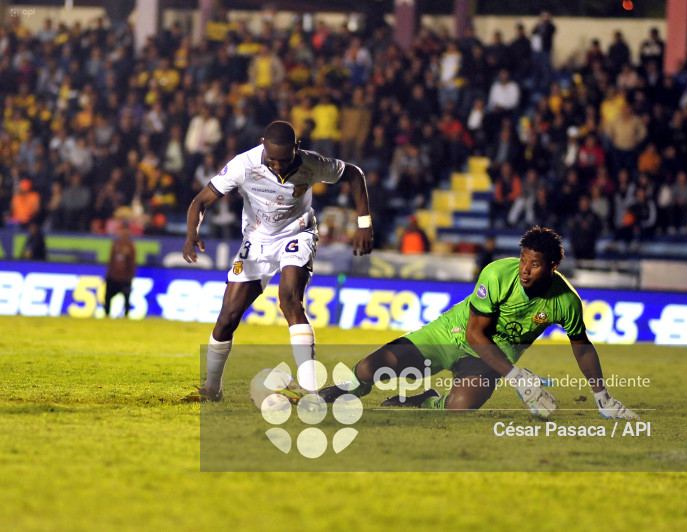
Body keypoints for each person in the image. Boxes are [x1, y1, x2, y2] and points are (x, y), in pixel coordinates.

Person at [319, 227, 638, 419]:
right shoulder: (497, 273)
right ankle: (350, 388)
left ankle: (424, 400)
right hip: (452, 333)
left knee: (459, 406)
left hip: (494, 356)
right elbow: (474, 333)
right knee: (368, 368)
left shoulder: (565, 301)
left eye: (535, 264)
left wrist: (602, 398)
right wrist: (517, 378)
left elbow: (582, 348)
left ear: (553, 266)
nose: (525, 269)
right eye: (523, 259)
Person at [183, 121, 373, 401]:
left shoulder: (312, 163)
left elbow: (354, 174)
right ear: (263, 145)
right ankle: (212, 388)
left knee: (290, 300)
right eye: (271, 159)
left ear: (297, 148)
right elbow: (201, 201)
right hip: (256, 242)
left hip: (297, 234)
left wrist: (364, 223)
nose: (277, 166)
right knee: (227, 317)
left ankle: (310, 392)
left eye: (283, 160)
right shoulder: (243, 165)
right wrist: (192, 234)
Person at [105, 222, 136, 318]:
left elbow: (132, 263)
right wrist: (109, 274)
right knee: (108, 297)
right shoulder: (116, 244)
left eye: (126, 230)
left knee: (126, 298)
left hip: (125, 278)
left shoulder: (131, 246)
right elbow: (111, 261)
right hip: (113, 277)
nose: (124, 233)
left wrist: (130, 277)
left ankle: (126, 316)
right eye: (123, 230)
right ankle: (107, 315)